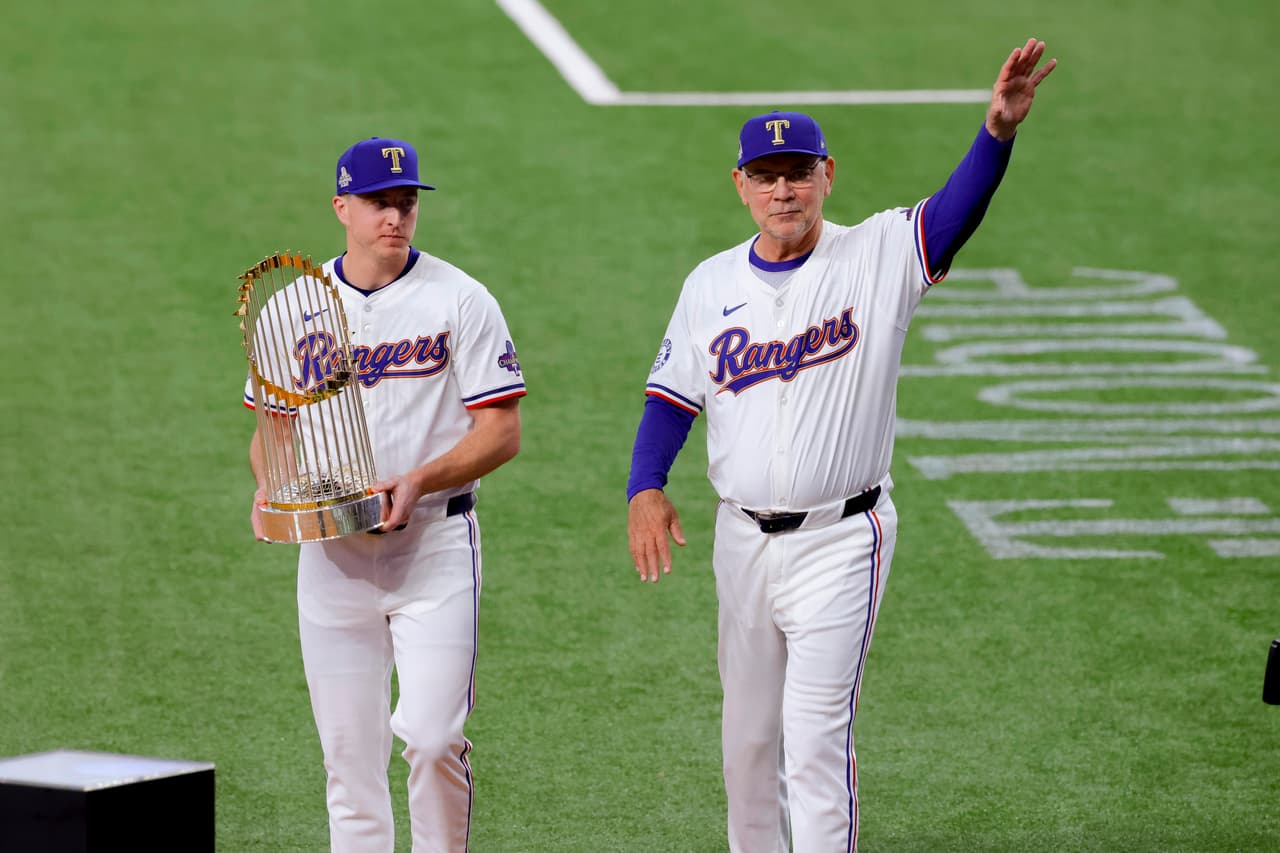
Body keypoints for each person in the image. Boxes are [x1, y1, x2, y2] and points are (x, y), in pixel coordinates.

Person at [626, 39, 1056, 852]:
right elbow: (670, 396)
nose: (783, 189)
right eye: (766, 175)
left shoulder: (880, 253)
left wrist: (997, 132)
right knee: (748, 743)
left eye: (798, 172)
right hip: (740, 541)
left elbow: (955, 211)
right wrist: (644, 485)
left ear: (828, 174)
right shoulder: (709, 284)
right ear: (741, 185)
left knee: (815, 741)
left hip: (842, 539)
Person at [244, 136, 526, 852]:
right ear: (342, 207)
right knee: (349, 760)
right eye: (378, 203)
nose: (395, 216)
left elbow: (501, 431)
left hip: (434, 546)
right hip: (332, 556)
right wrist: (271, 487)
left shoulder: (460, 299)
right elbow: (272, 431)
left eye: (405, 202)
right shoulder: (293, 307)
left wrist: (419, 480)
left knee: (432, 739)